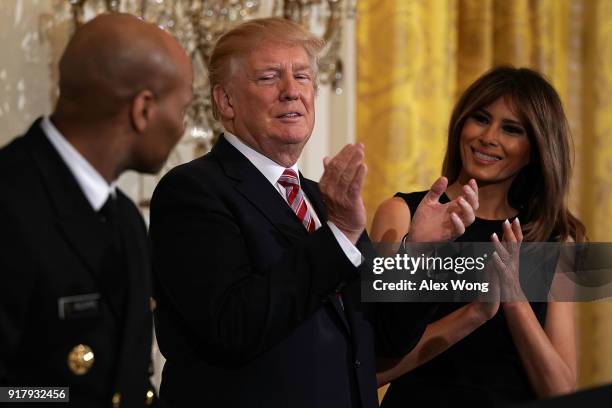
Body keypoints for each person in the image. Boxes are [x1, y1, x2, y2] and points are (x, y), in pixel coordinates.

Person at [149, 17, 478, 408]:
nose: (292, 92)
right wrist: (338, 234)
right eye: (269, 77)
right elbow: (232, 328)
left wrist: (418, 253)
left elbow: (386, 338)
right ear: (226, 101)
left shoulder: (321, 198)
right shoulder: (193, 191)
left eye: (302, 76)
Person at [0, 13, 192, 407]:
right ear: (143, 109)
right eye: (183, 108)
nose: (182, 127)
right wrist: (63, 397)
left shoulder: (124, 220)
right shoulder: (9, 201)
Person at [371, 66, 585, 407]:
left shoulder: (553, 242)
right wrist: (473, 314)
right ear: (461, 125)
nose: (488, 137)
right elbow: (371, 369)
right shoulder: (401, 215)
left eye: (511, 129)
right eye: (481, 119)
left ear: (536, 149)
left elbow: (560, 390)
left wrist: (514, 297)